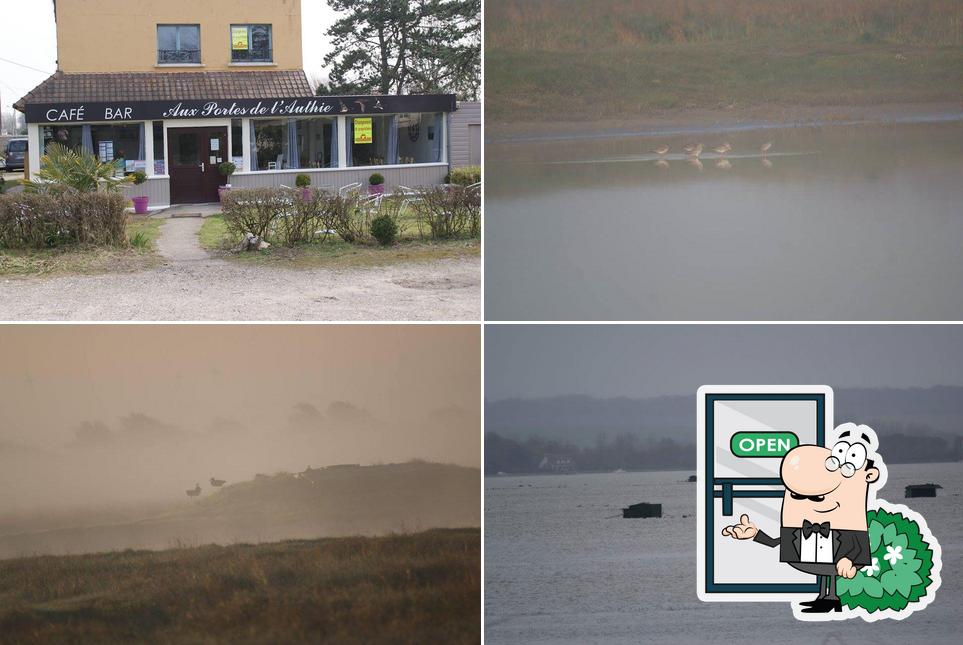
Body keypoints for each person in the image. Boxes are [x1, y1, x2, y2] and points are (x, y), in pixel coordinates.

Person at [722, 424, 881, 613]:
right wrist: (755, 534)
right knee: (824, 572)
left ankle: (832, 598)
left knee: (829, 571)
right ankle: (824, 597)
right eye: (797, 496)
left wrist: (851, 561)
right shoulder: (799, 529)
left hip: (838, 561)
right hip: (815, 557)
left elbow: (859, 548)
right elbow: (776, 542)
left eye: (817, 497)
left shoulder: (850, 528)